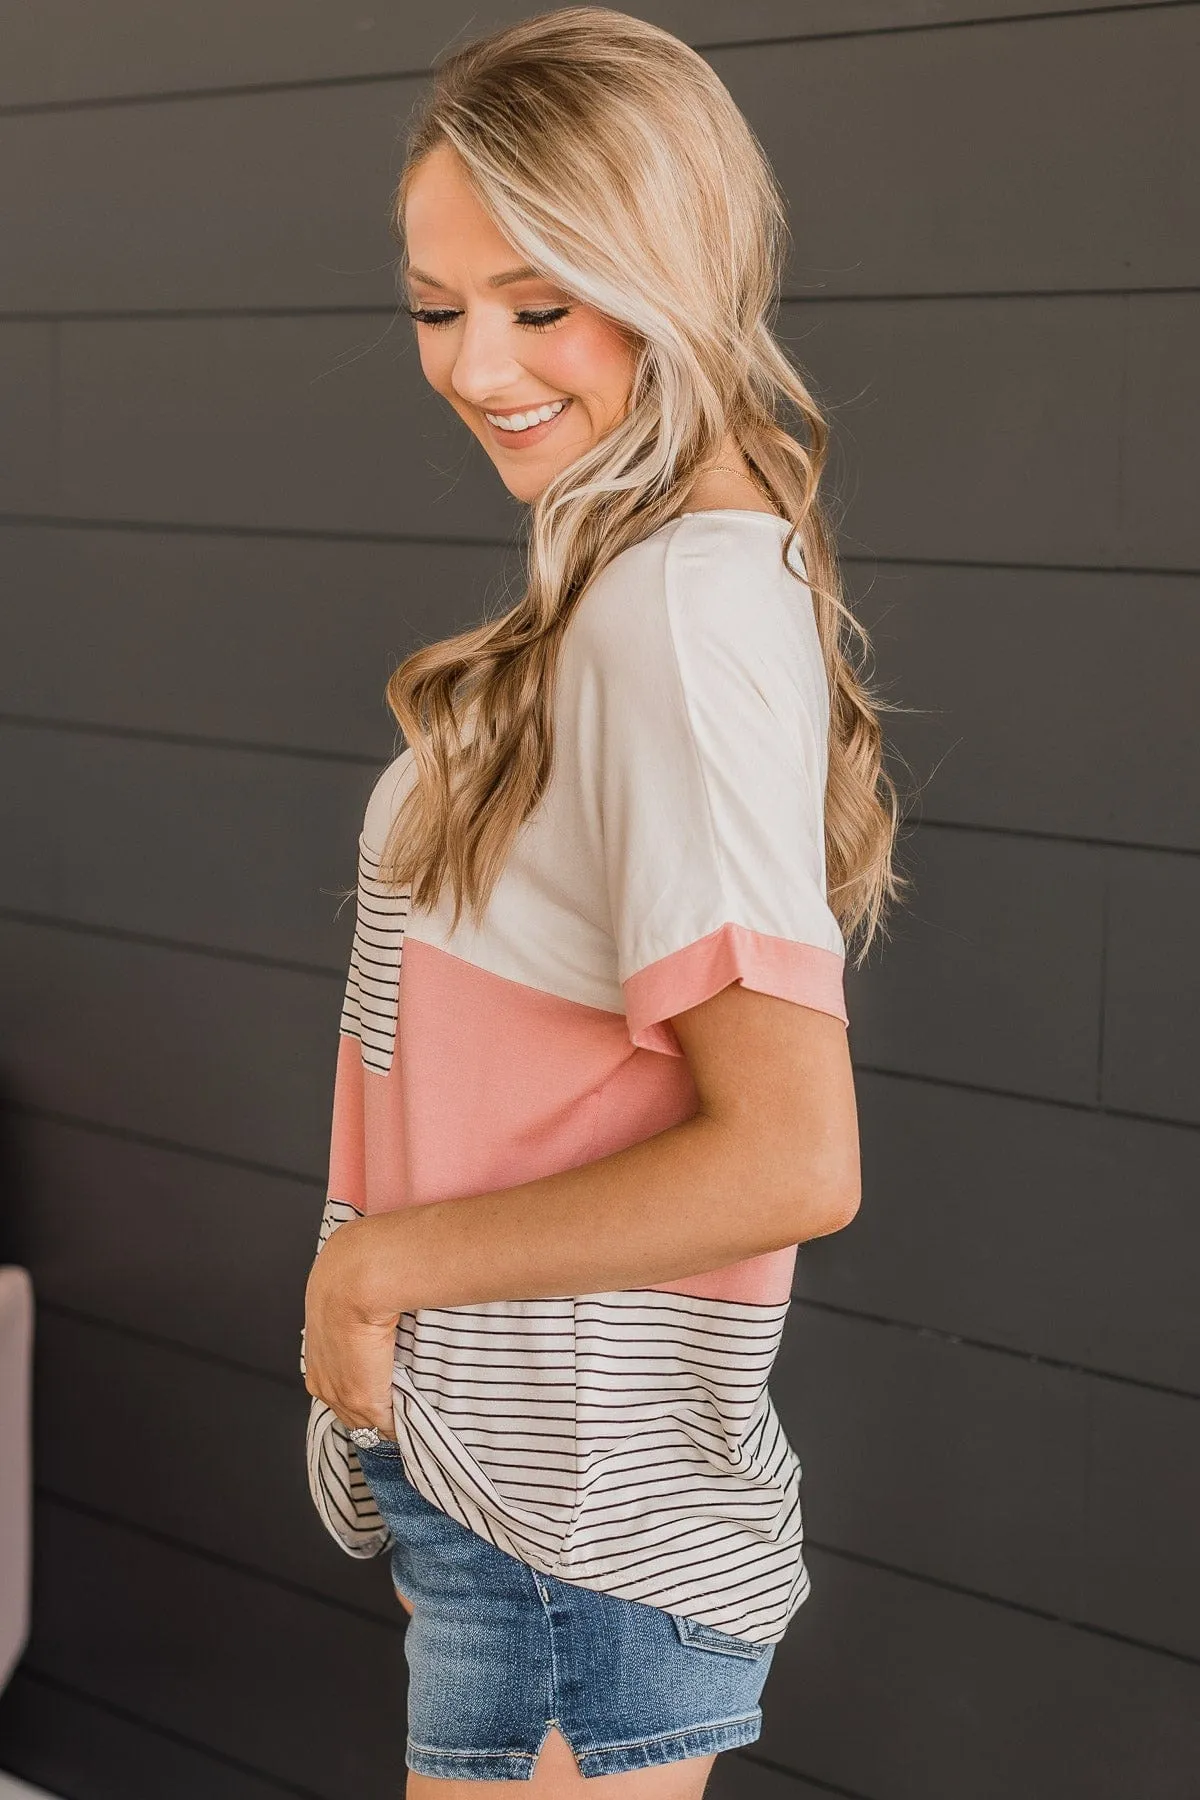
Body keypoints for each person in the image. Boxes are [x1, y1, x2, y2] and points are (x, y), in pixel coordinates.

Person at [301, 7, 906, 1792]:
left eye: (539, 303)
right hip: (524, 1486)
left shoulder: (674, 615)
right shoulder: (647, 582)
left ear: (673, 279)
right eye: (437, 306)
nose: (479, 365)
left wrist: (372, 1275)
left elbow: (796, 1156)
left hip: (578, 1518)